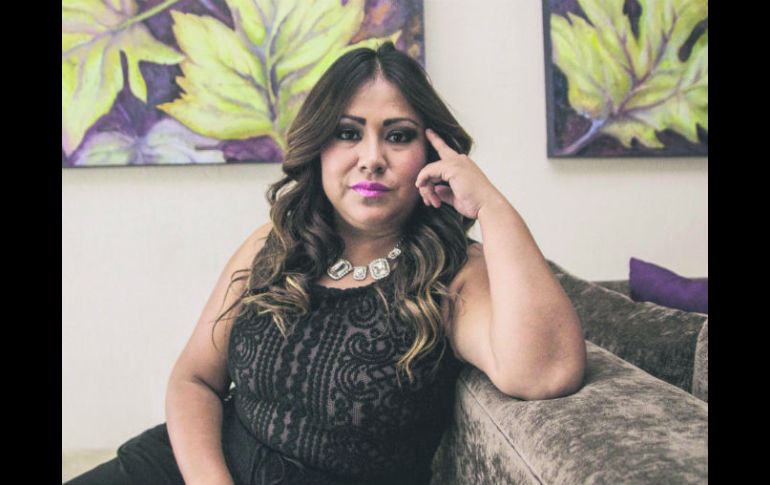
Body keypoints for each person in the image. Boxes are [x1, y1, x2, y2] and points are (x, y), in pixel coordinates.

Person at [65, 41, 586, 485]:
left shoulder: (454, 274)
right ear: (319, 145)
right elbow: (194, 380)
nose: (371, 157)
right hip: (191, 468)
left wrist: (493, 206)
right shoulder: (275, 243)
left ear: (432, 155)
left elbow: (547, 372)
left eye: (398, 135)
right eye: (348, 132)